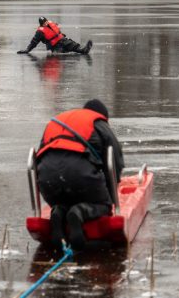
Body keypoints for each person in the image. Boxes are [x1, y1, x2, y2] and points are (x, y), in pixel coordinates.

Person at [35, 99, 124, 251]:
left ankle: (58, 212)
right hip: (79, 174)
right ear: (103, 116)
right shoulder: (98, 123)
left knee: (65, 198)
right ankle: (79, 212)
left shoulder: (57, 121)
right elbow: (116, 164)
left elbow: (41, 156)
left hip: (47, 179)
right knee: (103, 206)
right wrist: (110, 199)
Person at [17, 16, 92, 55]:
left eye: (46, 21)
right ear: (41, 24)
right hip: (55, 45)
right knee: (60, 56)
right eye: (44, 23)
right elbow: (34, 42)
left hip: (62, 40)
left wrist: (61, 34)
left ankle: (84, 50)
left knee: (73, 45)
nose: (46, 23)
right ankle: (63, 52)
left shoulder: (51, 24)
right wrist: (27, 50)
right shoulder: (39, 32)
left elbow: (56, 31)